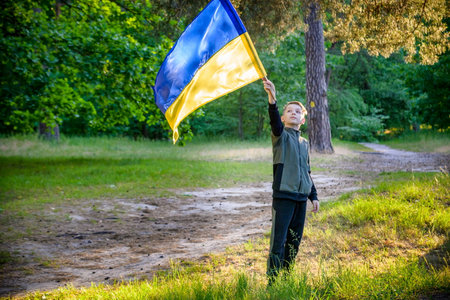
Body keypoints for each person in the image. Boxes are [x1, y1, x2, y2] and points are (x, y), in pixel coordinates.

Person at [263, 78, 320, 284]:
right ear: (283, 118)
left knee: (294, 243)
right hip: (284, 197)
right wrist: (273, 99)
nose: (294, 113)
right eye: (290, 111)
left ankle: (286, 280)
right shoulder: (280, 136)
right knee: (279, 242)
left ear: (303, 119)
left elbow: (307, 171)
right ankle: (273, 283)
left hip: (300, 199)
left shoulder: (305, 143)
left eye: (298, 111)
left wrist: (313, 196)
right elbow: (274, 122)